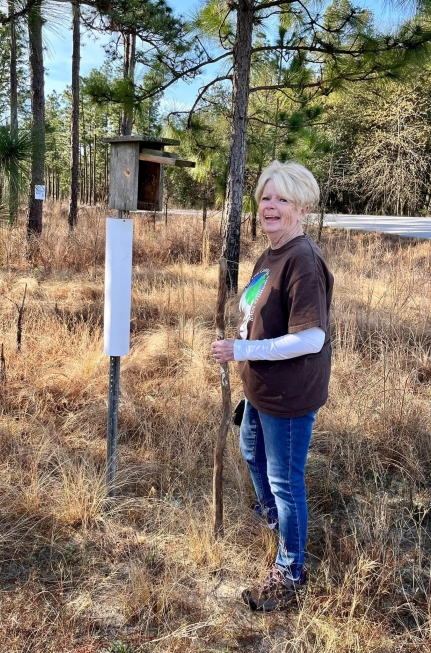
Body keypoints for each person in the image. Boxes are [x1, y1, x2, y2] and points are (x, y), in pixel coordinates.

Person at [211, 161, 334, 612]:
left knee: (285, 482)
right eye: (266, 197)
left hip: (288, 395)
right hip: (260, 390)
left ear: (301, 208)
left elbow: (310, 337)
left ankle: (290, 570)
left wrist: (241, 353)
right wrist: (240, 347)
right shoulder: (270, 254)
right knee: (251, 453)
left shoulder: (302, 259)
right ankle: (278, 526)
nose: (270, 206)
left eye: (282, 199)